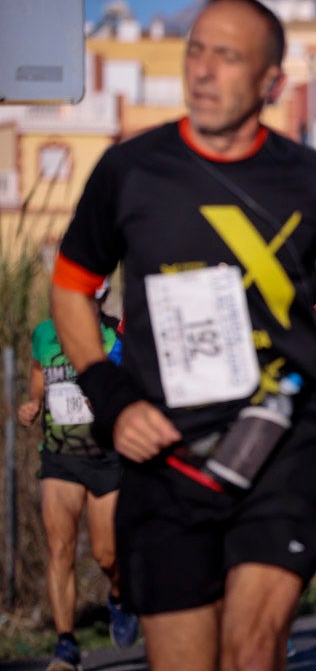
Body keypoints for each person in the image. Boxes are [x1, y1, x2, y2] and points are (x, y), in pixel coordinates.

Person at [49, 0, 316, 671]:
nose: (202, 71)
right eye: (196, 51)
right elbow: (70, 291)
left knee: (251, 651)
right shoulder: (131, 170)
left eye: (227, 57)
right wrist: (112, 400)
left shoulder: (309, 179)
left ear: (272, 82)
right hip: (163, 449)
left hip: (280, 438)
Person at [18, 286, 139, 671]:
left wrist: (107, 399)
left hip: (104, 458)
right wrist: (34, 402)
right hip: (59, 457)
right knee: (60, 549)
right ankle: (65, 644)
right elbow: (40, 373)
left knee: (106, 555)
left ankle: (119, 597)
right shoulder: (44, 334)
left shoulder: (111, 335)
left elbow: (131, 385)